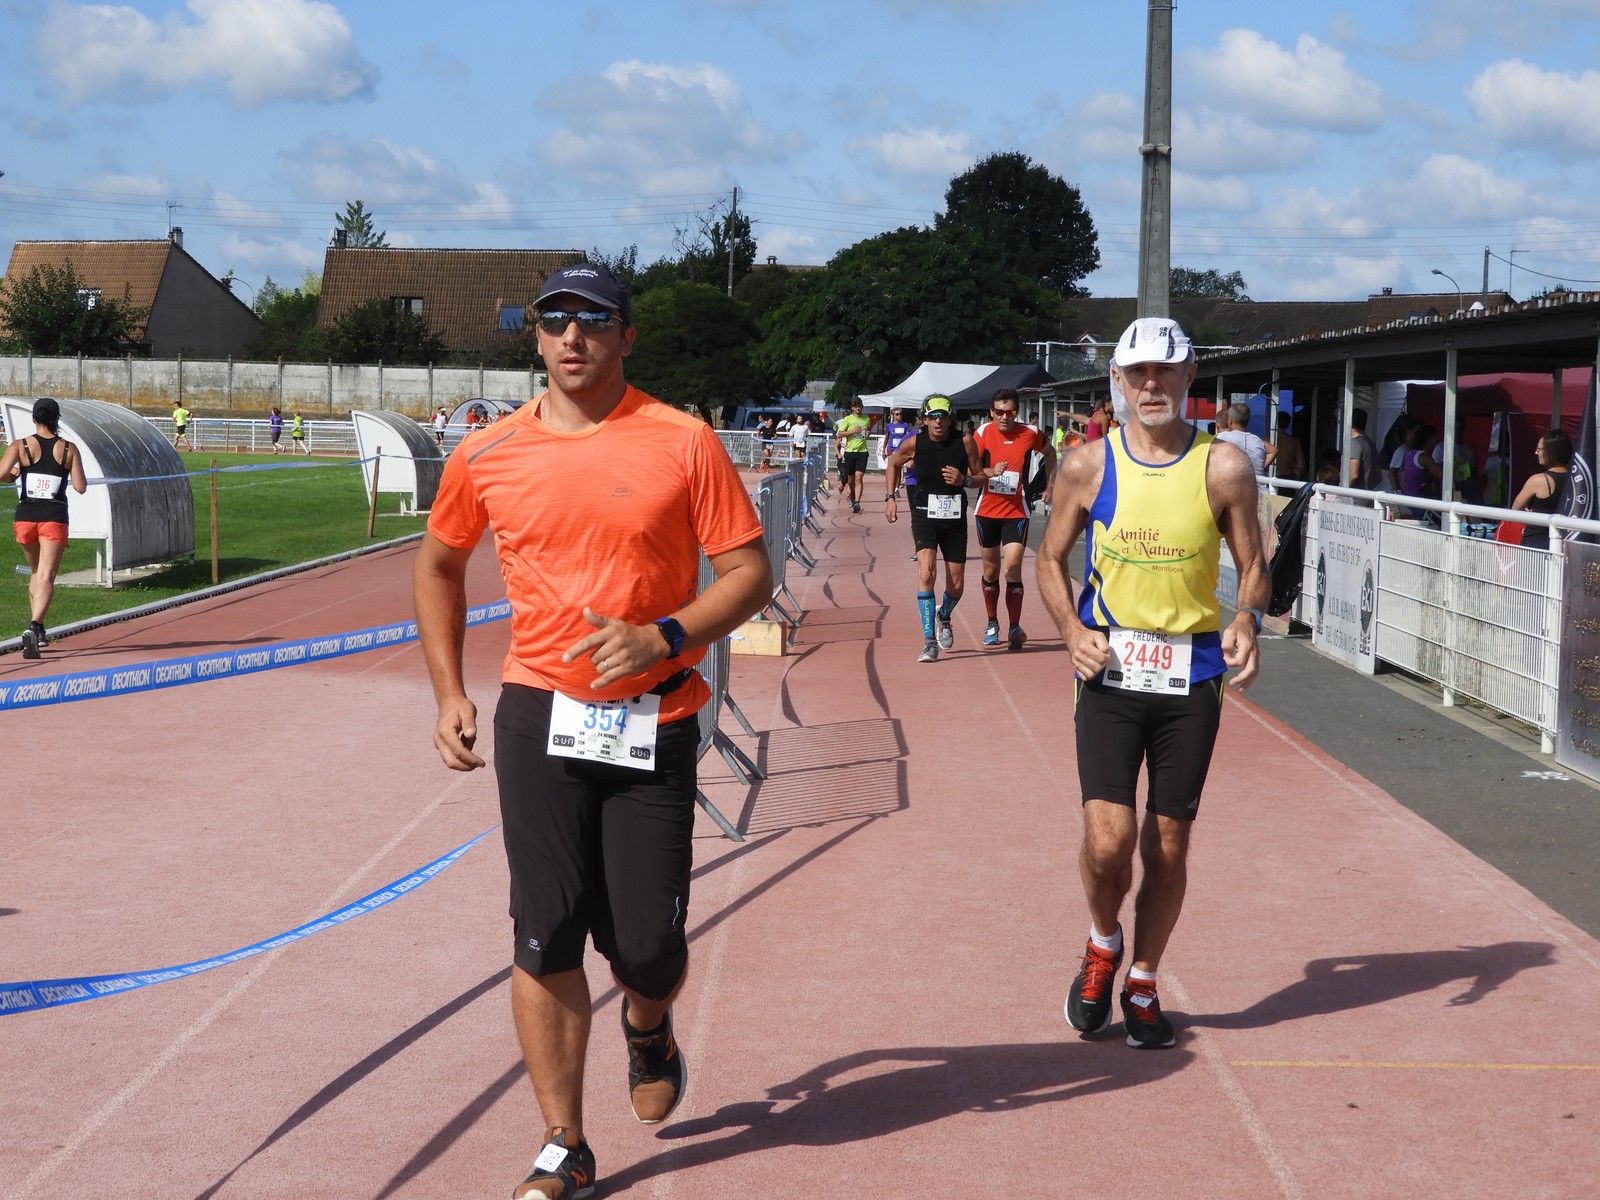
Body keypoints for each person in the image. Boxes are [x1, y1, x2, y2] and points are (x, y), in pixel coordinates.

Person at [413, 262, 771, 1200]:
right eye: (555, 320)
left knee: (647, 949)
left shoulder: (683, 440)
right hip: (540, 709)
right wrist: (448, 692)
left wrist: (665, 634)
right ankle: (562, 1143)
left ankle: (647, 1025)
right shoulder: (487, 451)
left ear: (626, 335)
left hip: (657, 714)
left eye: (594, 319)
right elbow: (439, 566)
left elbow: (749, 574)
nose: (573, 336)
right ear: (535, 336)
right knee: (545, 929)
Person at [1036, 316, 1268, 1051]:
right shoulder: (1087, 465)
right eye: (1137, 372)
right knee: (1109, 842)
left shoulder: (1224, 468)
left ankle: (1142, 978)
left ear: (1190, 375)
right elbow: (1049, 558)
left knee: (1167, 847)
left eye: (1165, 370)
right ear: (1118, 380)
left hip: (1191, 676)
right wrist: (1071, 632)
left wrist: (1247, 618)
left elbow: (1253, 564)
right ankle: (1102, 943)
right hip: (1110, 670)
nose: (1151, 384)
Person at [884, 394, 980, 663]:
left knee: (956, 585)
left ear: (950, 419)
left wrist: (964, 480)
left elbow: (981, 477)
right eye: (932, 416)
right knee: (926, 571)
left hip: (954, 518)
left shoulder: (965, 441)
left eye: (942, 416)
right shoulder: (915, 442)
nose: (938, 421)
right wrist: (890, 497)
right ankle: (929, 641)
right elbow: (893, 463)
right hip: (924, 514)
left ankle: (944, 616)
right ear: (924, 419)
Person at [3, 398, 88, 658]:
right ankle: (34, 624)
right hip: (54, 516)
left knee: (36, 571)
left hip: (26, 516)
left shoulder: (20, 446)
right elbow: (80, 487)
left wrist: (15, 474)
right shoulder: (69, 448)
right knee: (47, 575)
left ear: (34, 419)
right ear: (57, 418)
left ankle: (38, 632)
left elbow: (2, 474)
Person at [971, 388, 1055, 650]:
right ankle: (992, 622)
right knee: (990, 570)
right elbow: (970, 471)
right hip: (987, 512)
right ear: (991, 412)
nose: (1004, 417)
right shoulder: (982, 433)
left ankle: (1014, 627)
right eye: (999, 412)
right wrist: (990, 471)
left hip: (1017, 512)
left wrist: (1051, 485)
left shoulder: (1030, 433)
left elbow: (1050, 453)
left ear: (1016, 412)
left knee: (1013, 567)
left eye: (1010, 412)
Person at [1511, 428, 1574, 549]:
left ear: (1551, 451)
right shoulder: (1575, 479)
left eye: (1539, 449)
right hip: (1566, 545)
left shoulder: (1538, 480)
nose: (1536, 452)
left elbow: (1515, 510)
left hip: (1536, 545)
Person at [1214, 402, 1267, 493]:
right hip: (1261, 492)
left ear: (1230, 421)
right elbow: (1273, 450)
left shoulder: (1221, 438)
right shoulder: (1258, 441)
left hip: (1235, 492)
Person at [834, 398, 872, 513]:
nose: (857, 408)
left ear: (862, 407)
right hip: (850, 452)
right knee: (850, 479)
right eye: (855, 406)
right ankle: (852, 493)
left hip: (862, 452)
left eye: (859, 406)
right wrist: (853, 431)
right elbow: (840, 434)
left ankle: (857, 502)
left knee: (859, 477)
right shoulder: (847, 419)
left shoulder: (866, 419)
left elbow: (868, 430)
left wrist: (868, 433)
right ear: (852, 408)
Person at [1346, 408, 1381, 491]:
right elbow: (1378, 477)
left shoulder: (1354, 443)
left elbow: (1353, 475)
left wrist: (1343, 490)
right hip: (1367, 494)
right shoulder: (1371, 444)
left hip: (1353, 495)